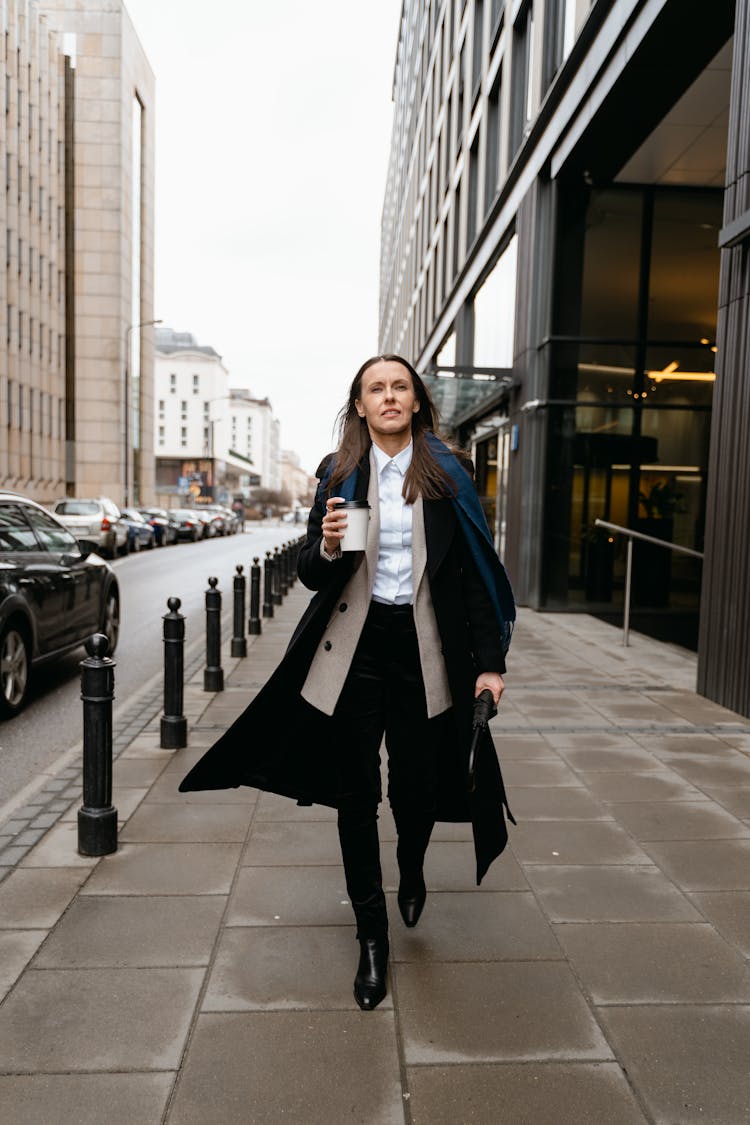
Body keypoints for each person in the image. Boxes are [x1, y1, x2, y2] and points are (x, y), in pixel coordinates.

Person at [180, 354, 515, 1011]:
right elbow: (310, 570)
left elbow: (473, 574)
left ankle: (413, 862)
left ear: (416, 401)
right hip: (355, 650)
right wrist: (330, 546)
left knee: (415, 787)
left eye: (399, 387)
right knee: (356, 792)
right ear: (360, 406)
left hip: (425, 651)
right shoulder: (339, 475)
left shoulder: (449, 474)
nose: (388, 397)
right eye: (375, 389)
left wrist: (490, 663)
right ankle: (372, 937)